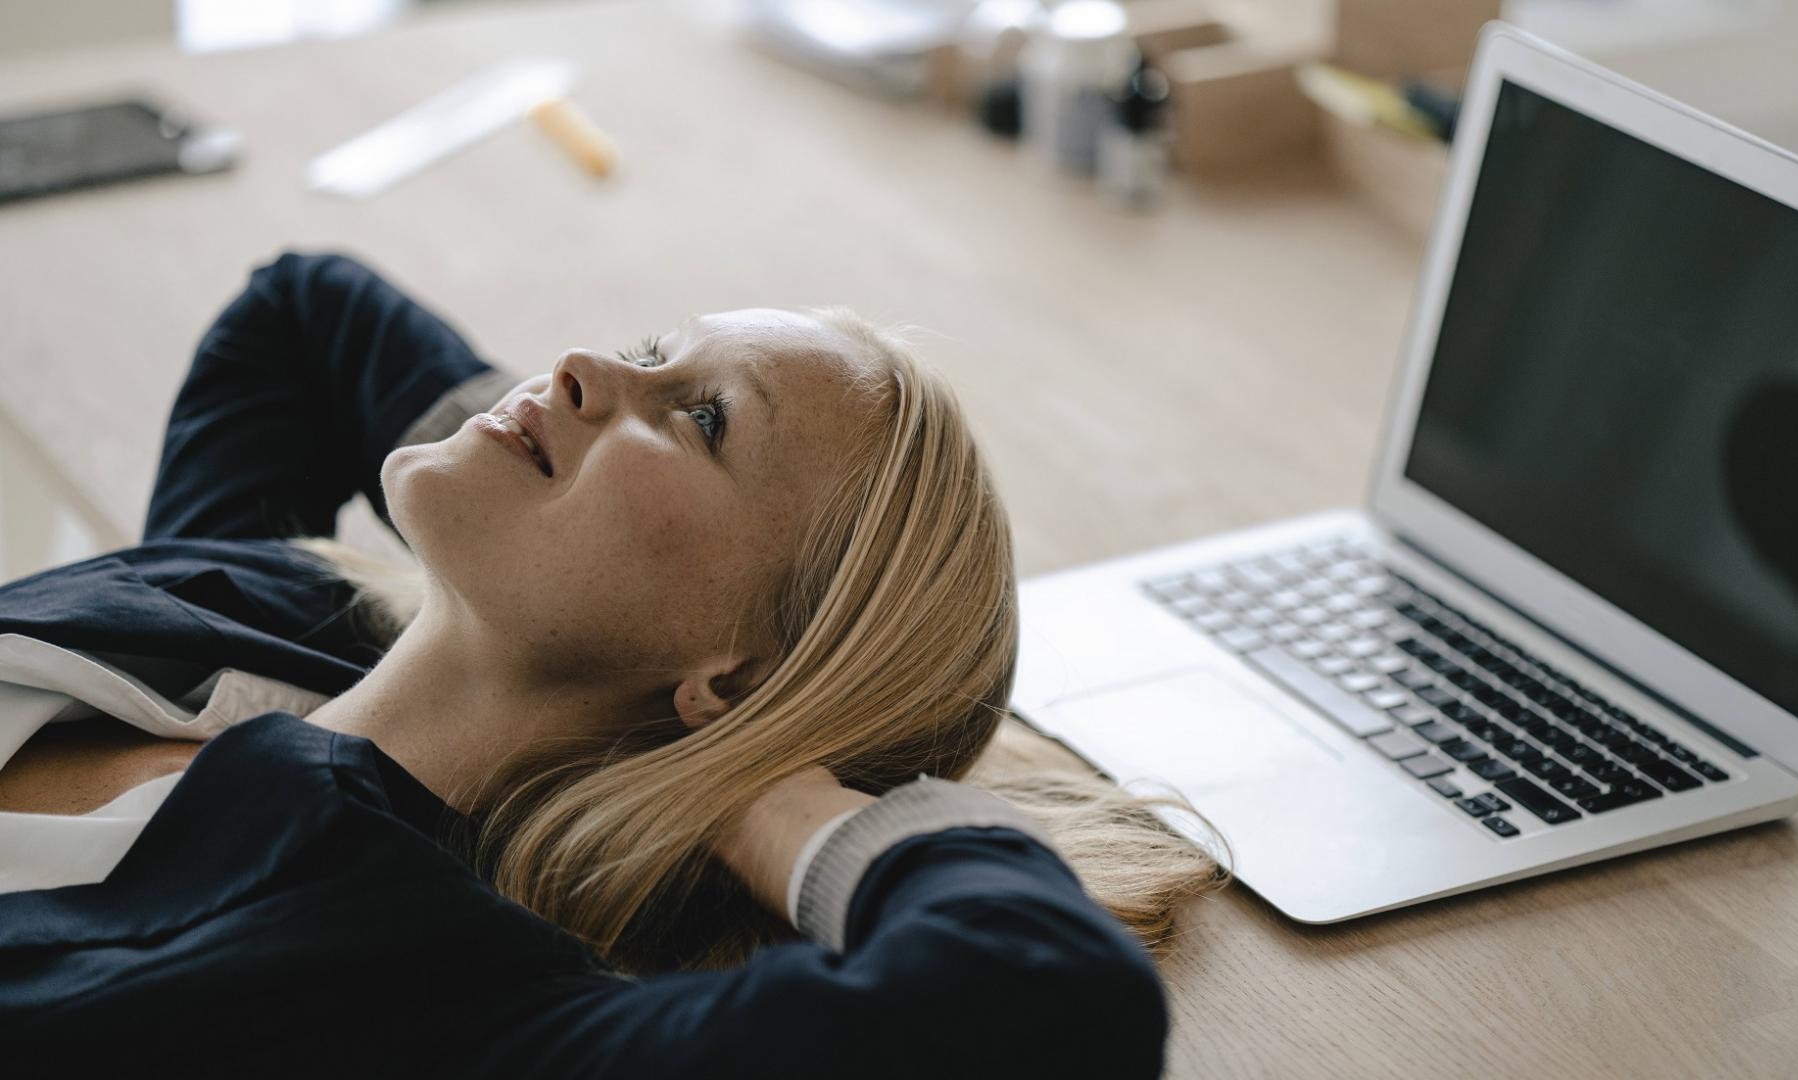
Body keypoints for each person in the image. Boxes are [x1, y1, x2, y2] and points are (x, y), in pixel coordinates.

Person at [0, 252, 1226, 1076]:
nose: (583, 361)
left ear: (734, 682)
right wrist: (534, 447)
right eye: (650, 348)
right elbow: (301, 311)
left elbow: (1044, 995)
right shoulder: (268, 611)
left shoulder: (423, 990)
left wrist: (766, 793)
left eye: (702, 419)